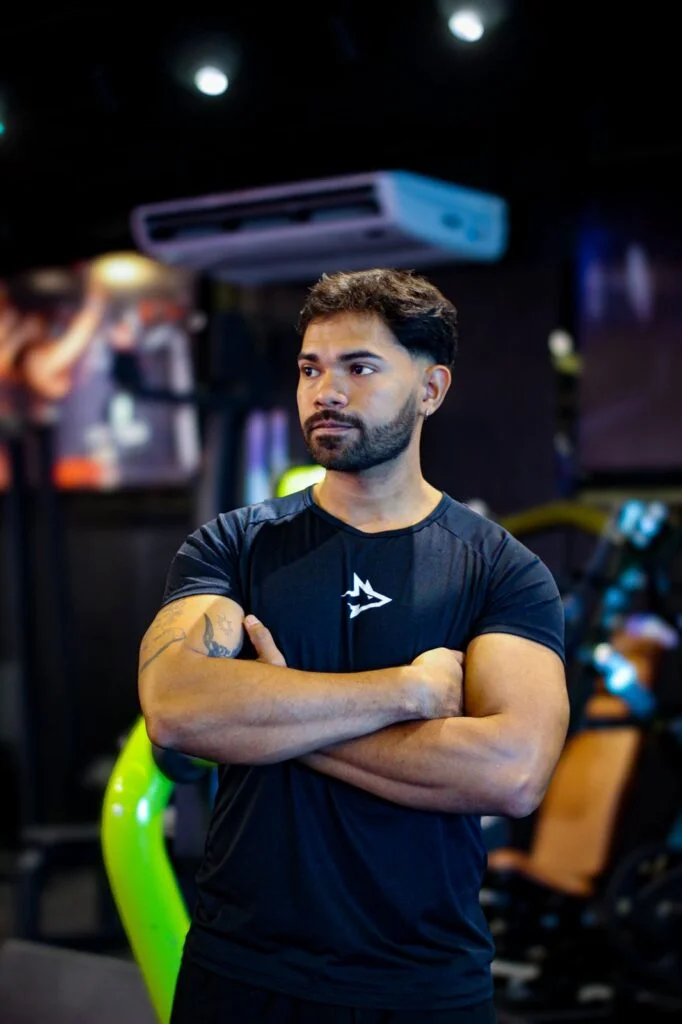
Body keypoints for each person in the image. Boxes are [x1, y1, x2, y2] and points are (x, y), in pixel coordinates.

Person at [139, 268, 569, 1023]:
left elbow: (511, 772)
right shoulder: (235, 546)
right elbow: (176, 709)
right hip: (241, 973)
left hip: (422, 986)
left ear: (431, 388)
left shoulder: (501, 570)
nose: (325, 392)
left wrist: (272, 720)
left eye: (359, 368)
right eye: (310, 369)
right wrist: (406, 692)